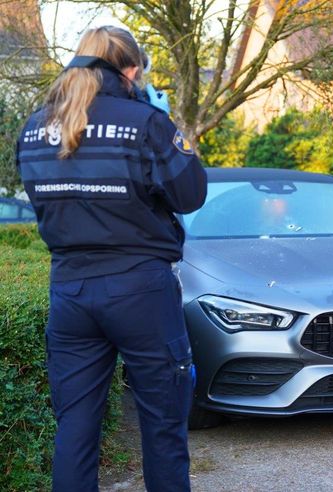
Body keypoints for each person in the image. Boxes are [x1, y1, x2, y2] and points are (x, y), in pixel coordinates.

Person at [15, 26, 207, 492]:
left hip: (71, 290)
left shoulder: (35, 128)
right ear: (133, 69)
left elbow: (43, 203)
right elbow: (190, 194)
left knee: (76, 428)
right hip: (139, 286)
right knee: (162, 425)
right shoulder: (144, 121)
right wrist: (166, 125)